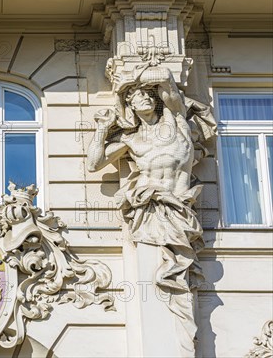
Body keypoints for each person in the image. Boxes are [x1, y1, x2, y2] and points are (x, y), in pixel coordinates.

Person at [87, 65, 213, 354]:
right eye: (134, 97)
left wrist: (130, 76)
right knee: (158, 279)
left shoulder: (176, 119)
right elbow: (93, 164)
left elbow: (166, 79)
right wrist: (102, 129)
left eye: (145, 94)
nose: (141, 98)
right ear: (128, 106)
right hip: (150, 212)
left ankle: (180, 340)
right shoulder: (131, 140)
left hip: (180, 209)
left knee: (177, 280)